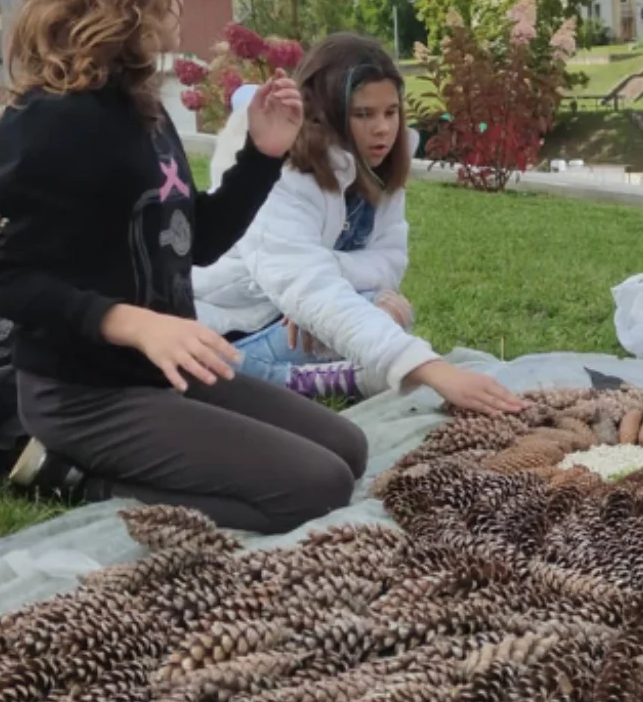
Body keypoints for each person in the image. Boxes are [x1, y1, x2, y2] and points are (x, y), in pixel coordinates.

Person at [0, 0, 369, 535]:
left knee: (348, 450)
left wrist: (263, 156)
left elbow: (199, 242)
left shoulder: (145, 111)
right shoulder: (45, 121)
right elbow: (4, 281)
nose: (177, 1)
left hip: (165, 374)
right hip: (83, 396)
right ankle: (83, 478)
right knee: (317, 488)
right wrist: (132, 324)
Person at [193, 33, 526, 416]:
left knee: (385, 306)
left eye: (390, 112)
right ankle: (300, 382)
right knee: (207, 366)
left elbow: (389, 260)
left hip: (297, 315)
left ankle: (324, 374)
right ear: (327, 113)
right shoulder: (281, 173)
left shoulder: (382, 166)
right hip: (236, 324)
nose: (383, 128)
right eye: (363, 114)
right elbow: (307, 286)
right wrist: (434, 371)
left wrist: (325, 277)